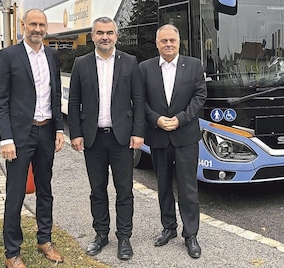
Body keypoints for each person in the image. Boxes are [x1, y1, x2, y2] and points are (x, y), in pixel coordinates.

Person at [68, 16, 145, 261]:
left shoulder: (130, 62)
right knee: (97, 190)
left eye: (109, 32)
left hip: (121, 138)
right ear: (92, 36)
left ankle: (124, 237)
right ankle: (101, 234)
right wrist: (76, 133)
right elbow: (73, 101)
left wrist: (138, 132)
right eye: (100, 32)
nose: (105, 37)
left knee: (124, 190)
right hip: (93, 139)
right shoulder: (81, 63)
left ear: (116, 36)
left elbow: (139, 100)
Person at [0, 8, 66, 268]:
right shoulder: (8, 56)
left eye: (42, 25)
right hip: (20, 135)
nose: (37, 29)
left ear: (47, 28)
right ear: (23, 25)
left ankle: (44, 239)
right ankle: (12, 252)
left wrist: (59, 129)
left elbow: (55, 96)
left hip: (46, 131)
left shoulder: (52, 55)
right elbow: (0, 101)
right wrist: (6, 139)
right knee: (15, 194)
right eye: (33, 24)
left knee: (45, 190)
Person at [139, 24, 207, 259]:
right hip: (158, 136)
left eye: (172, 40)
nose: (168, 44)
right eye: (164, 41)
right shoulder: (145, 68)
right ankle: (169, 228)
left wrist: (180, 119)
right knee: (163, 186)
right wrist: (156, 119)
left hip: (185, 135)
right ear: (157, 44)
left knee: (188, 188)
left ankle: (191, 234)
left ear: (179, 42)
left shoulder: (194, 65)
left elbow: (200, 96)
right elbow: (140, 100)